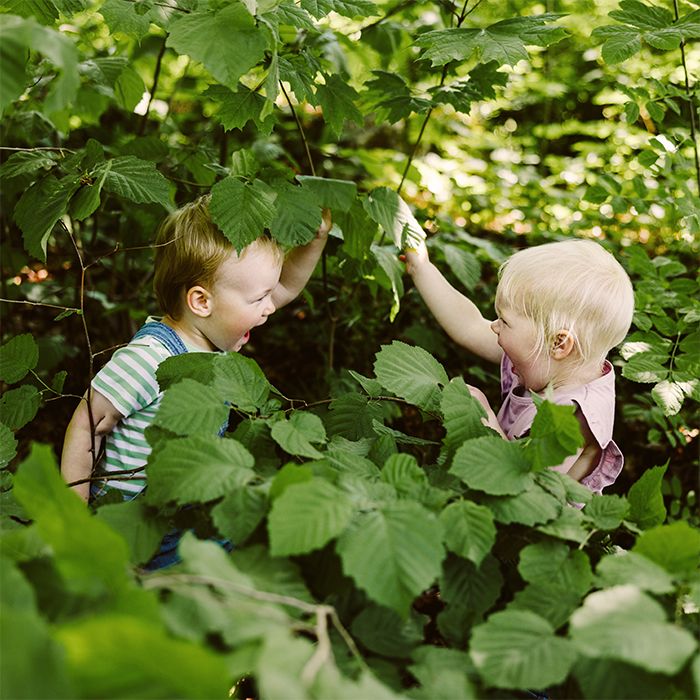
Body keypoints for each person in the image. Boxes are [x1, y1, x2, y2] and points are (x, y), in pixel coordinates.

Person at [61, 194, 331, 503]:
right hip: (129, 521)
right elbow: (85, 428)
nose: (270, 307)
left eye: (268, 295)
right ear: (202, 302)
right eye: (259, 299)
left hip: (184, 511)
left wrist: (314, 239)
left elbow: (285, 287)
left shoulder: (210, 338)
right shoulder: (148, 359)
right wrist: (74, 515)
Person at [404, 237, 634, 493]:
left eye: (505, 321)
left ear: (558, 343)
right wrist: (421, 267)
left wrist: (483, 418)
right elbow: (469, 326)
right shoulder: (546, 359)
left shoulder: (571, 419)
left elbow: (525, 491)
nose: (494, 326)